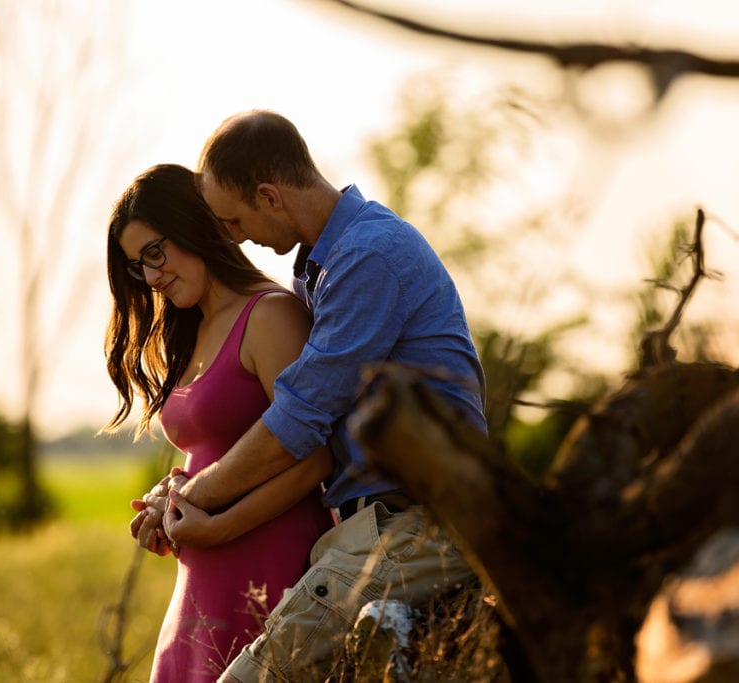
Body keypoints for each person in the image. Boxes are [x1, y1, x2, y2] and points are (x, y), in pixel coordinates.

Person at [151, 110, 488, 682]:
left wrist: (195, 498)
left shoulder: (366, 257)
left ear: (269, 197)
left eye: (234, 219)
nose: (235, 237)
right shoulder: (325, 265)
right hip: (375, 528)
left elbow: (298, 422)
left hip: (413, 527)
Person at [104, 163, 335, 683]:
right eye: (138, 265)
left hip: (271, 561)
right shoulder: (190, 332)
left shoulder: (271, 314)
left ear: (193, 225)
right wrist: (172, 502)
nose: (151, 275)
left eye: (155, 252)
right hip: (201, 578)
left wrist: (219, 525)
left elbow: (318, 455)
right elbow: (213, 453)